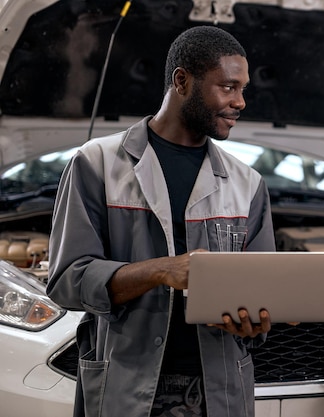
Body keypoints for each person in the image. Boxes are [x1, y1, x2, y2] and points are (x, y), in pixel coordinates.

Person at [46, 26, 276, 417]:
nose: (240, 102)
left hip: (219, 393)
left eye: (243, 89)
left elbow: (262, 291)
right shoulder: (97, 164)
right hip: (129, 387)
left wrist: (254, 323)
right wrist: (161, 271)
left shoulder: (248, 183)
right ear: (182, 80)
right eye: (228, 87)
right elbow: (68, 280)